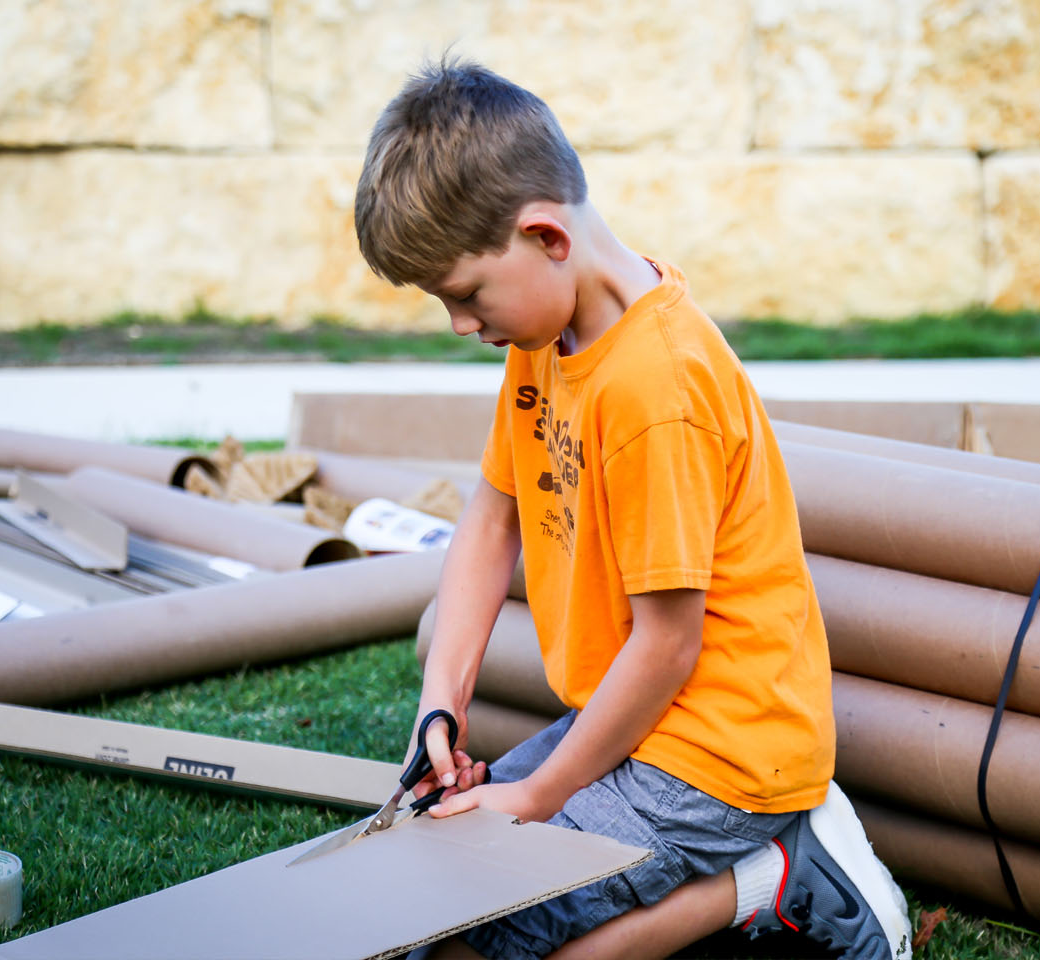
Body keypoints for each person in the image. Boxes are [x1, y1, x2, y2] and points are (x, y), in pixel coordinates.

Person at [353, 58, 911, 960]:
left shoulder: (657, 388)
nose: (459, 323)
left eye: (465, 294)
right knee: (425, 892)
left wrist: (539, 796)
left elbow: (668, 645)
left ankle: (779, 874)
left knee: (466, 940)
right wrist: (438, 709)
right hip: (635, 727)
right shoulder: (543, 334)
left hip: (721, 755)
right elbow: (491, 522)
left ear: (546, 235)